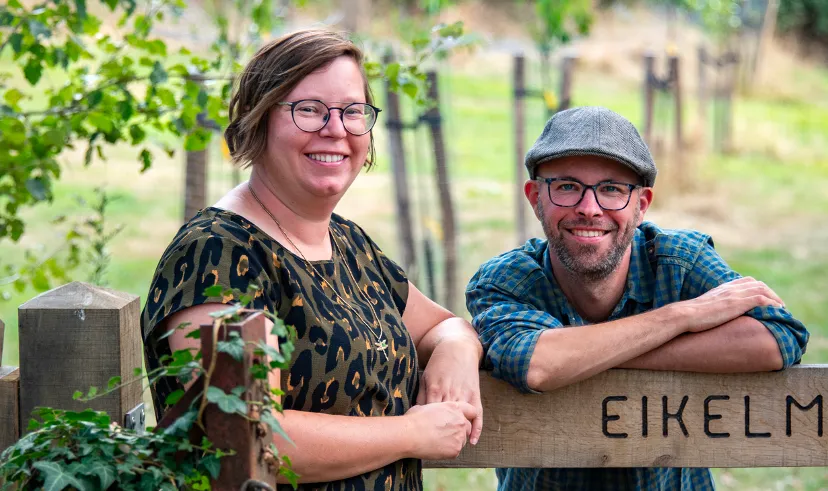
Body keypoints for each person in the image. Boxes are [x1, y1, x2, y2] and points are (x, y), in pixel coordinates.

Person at [141, 29, 484, 490]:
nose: (336, 129)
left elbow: (444, 325)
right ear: (258, 120)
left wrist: (458, 351)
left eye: (352, 111)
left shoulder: (349, 244)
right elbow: (245, 436)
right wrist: (412, 433)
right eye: (309, 110)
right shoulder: (217, 253)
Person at [465, 106, 809, 490]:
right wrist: (681, 318)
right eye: (566, 186)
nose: (589, 208)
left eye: (612, 189)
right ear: (535, 198)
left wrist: (593, 356)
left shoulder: (678, 261)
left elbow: (778, 339)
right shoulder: (507, 280)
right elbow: (537, 363)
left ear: (642, 205)